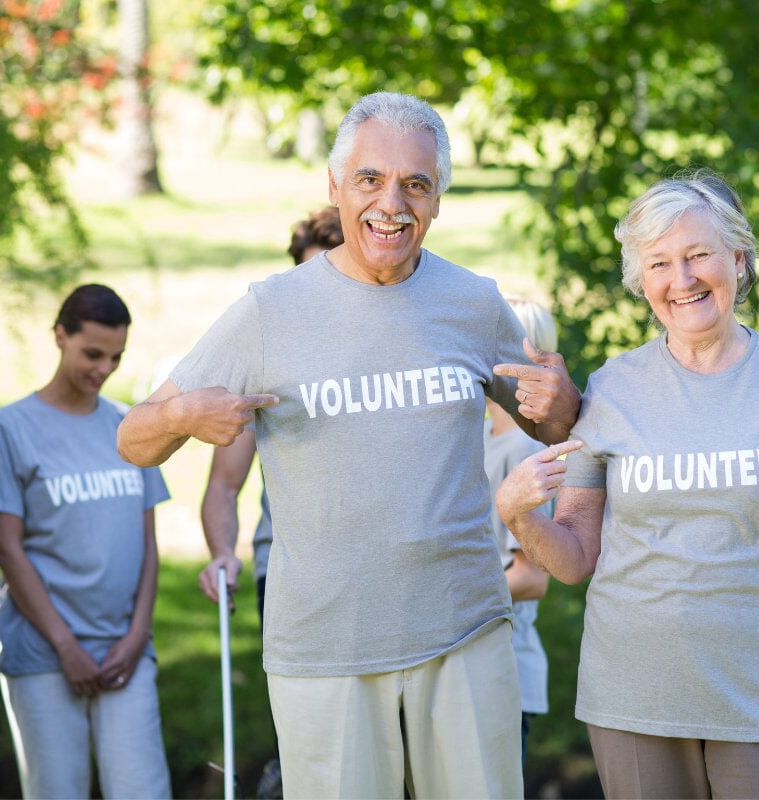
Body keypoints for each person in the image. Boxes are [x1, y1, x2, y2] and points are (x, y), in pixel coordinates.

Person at [117, 91, 581, 798]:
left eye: (415, 184)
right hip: (325, 651)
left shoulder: (473, 302)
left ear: (436, 201)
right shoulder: (269, 312)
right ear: (335, 188)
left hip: (464, 633)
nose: (391, 203)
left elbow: (550, 421)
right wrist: (182, 414)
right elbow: (133, 440)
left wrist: (563, 402)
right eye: (369, 179)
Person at [496, 171, 759, 800]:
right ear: (641, 282)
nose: (681, 280)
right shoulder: (612, 388)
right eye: (659, 263)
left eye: (698, 256)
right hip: (635, 696)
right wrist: (523, 517)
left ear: (738, 261)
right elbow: (575, 557)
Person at [0, 284, 171, 799]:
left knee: (143, 790)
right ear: (59, 336)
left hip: (124, 652)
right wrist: (64, 646)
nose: (104, 368)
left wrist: (137, 636)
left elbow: (149, 544)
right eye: (92, 353)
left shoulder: (131, 425)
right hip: (43, 653)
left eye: (116, 357)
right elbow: (7, 549)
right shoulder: (10, 427)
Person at [199, 205, 344, 799]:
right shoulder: (269, 361)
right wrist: (220, 552)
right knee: (313, 735)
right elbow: (221, 486)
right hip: (284, 569)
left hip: (382, 571)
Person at [483, 297, 554, 765]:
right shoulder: (476, 440)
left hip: (504, 675)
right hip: (464, 670)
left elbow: (532, 578)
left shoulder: (524, 452)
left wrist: (438, 597)